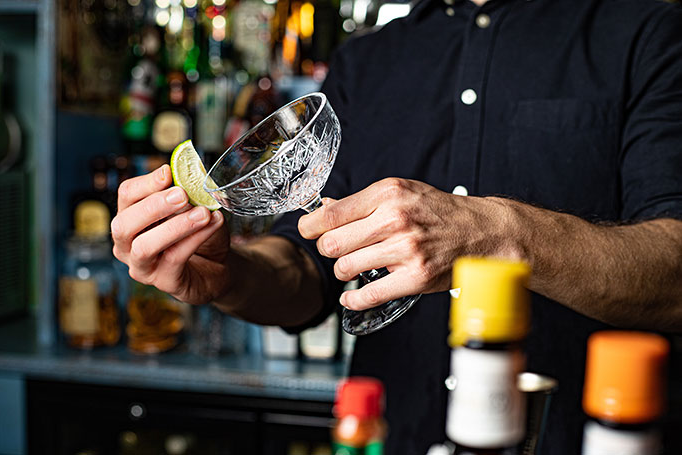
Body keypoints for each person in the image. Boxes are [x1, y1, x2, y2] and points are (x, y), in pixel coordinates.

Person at [111, 0, 682, 453]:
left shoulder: (648, 32)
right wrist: (229, 276)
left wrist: (502, 233)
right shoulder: (369, 60)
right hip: (393, 436)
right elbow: (308, 268)